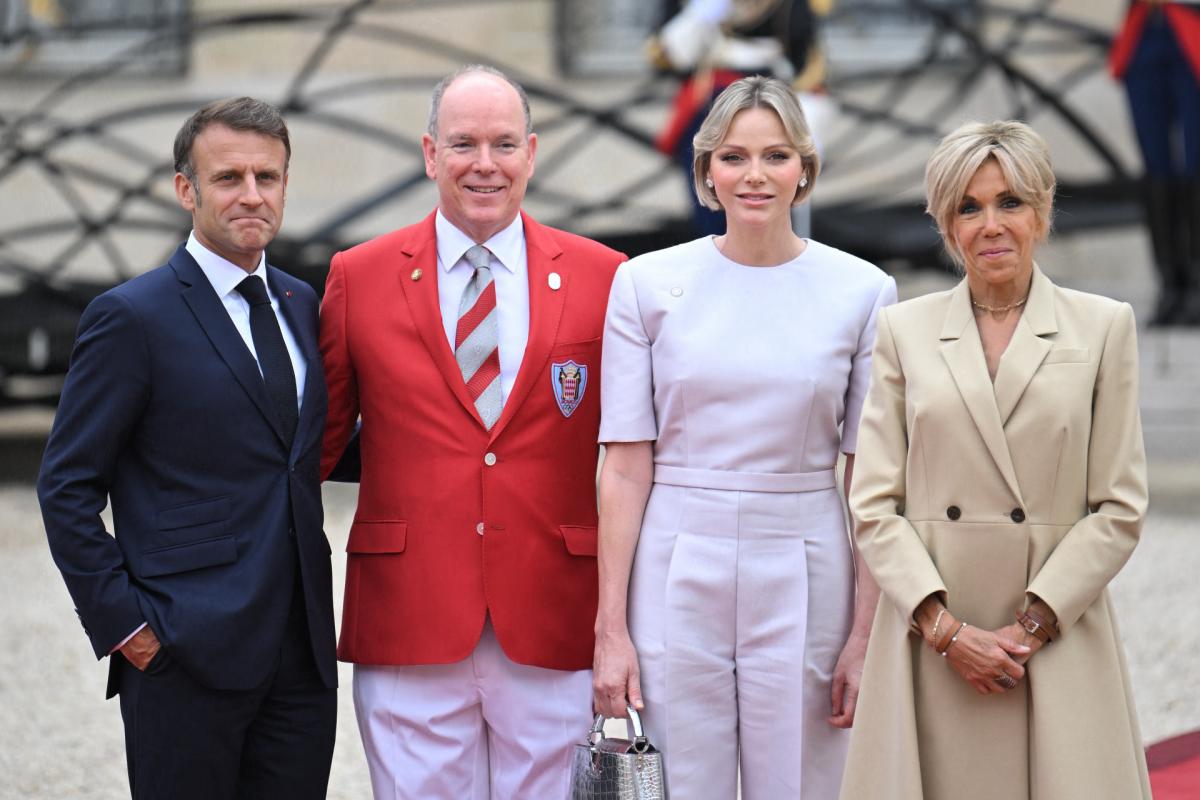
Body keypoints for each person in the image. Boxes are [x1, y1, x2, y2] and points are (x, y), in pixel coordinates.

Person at [318, 65, 626, 799]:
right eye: (463, 144)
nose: (485, 164)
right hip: (408, 616)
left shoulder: (606, 276)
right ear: (430, 154)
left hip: (555, 616)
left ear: (531, 154)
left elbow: (636, 456)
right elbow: (313, 449)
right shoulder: (358, 277)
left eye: (503, 144)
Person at [593, 75, 896, 798]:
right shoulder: (643, 283)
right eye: (733, 157)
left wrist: (865, 634)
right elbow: (625, 466)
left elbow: (870, 478)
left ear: (804, 169)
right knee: (675, 781)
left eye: (776, 156)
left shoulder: (863, 291)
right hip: (674, 557)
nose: (755, 175)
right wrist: (611, 629)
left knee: (802, 780)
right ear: (706, 171)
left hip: (806, 556)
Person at [840, 120, 1151, 799]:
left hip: (1055, 635)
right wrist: (947, 632)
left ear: (1041, 209)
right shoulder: (903, 330)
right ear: (945, 223)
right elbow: (873, 503)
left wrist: (1032, 626)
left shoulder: (1104, 326)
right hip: (933, 639)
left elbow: (1119, 507)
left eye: (1009, 201)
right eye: (968, 207)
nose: (990, 225)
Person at [36, 97, 337, 799]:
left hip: (302, 657)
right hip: (182, 653)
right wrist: (126, 627)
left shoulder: (301, 303)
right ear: (186, 190)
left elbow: (304, 449)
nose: (252, 195)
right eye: (229, 177)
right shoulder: (130, 316)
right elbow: (66, 485)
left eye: (267, 177)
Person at [650, 0, 831, 237]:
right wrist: (699, 17)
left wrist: (805, 118)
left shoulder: (788, 6)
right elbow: (669, 58)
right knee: (710, 198)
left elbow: (804, 63)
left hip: (770, 99)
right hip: (710, 104)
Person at [1110, 1, 1200, 324]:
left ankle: (1196, 286)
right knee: (1155, 165)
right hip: (1146, 28)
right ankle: (1170, 287)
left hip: (1192, 27)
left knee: (1195, 162)